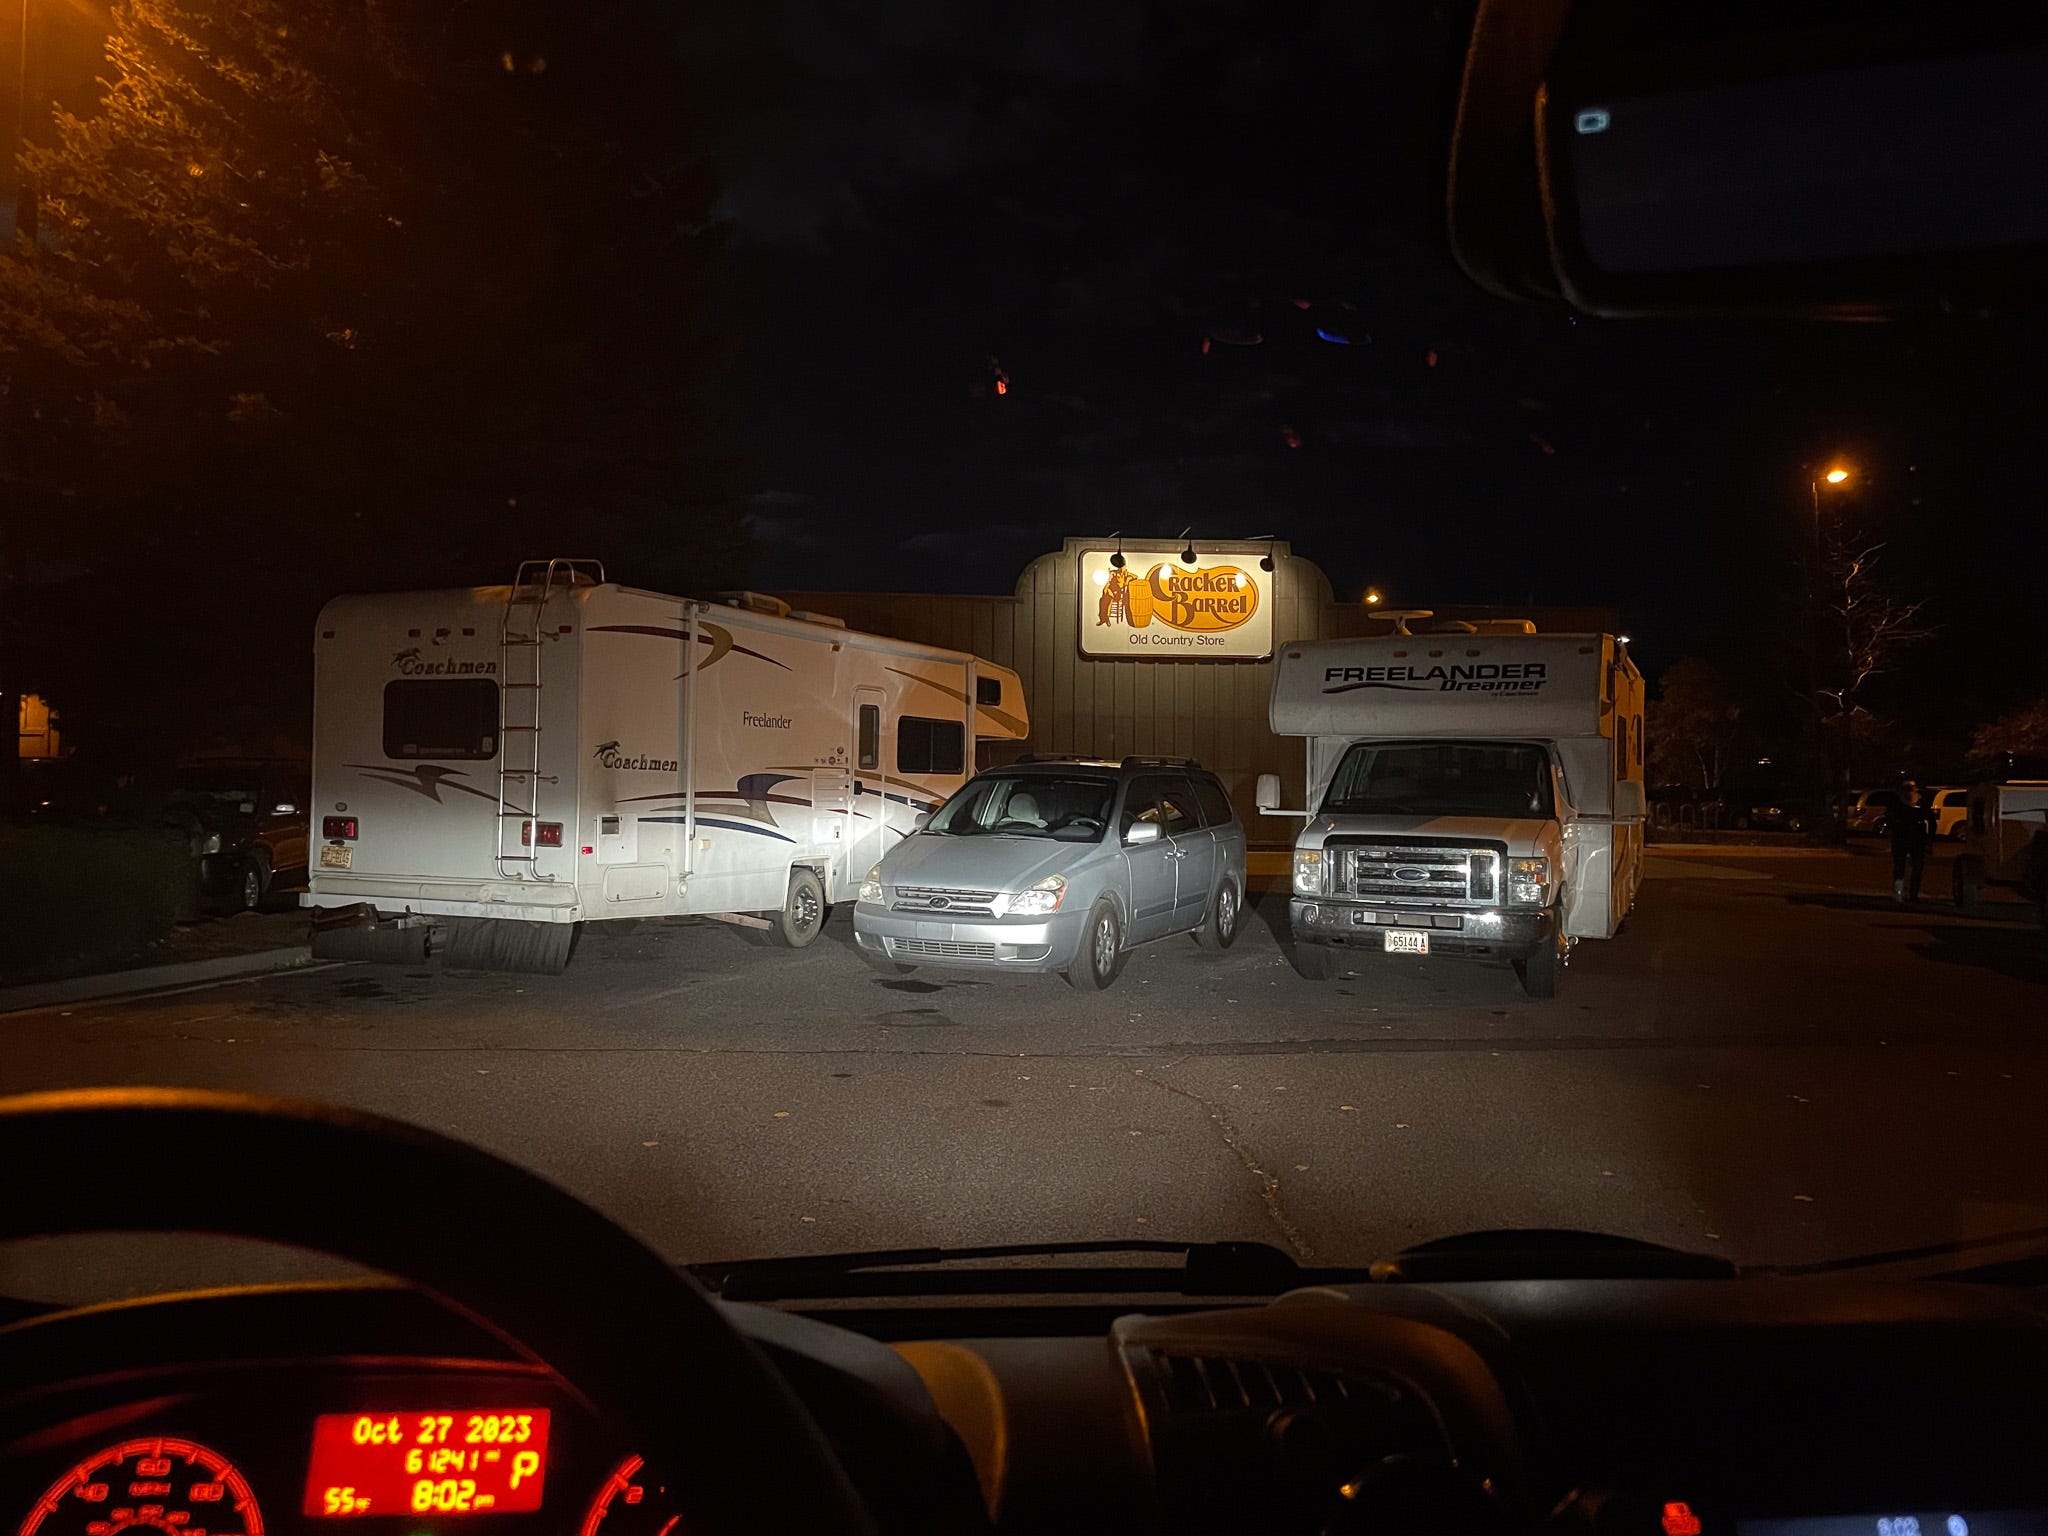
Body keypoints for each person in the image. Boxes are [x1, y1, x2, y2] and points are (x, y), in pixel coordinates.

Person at [1888, 784, 1934, 903]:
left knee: (1906, 867)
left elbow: (1931, 822)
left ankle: (1904, 893)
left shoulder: (1899, 805)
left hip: (1908, 839)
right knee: (1910, 867)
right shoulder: (1903, 805)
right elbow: (1931, 822)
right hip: (1911, 839)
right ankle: (1906, 893)